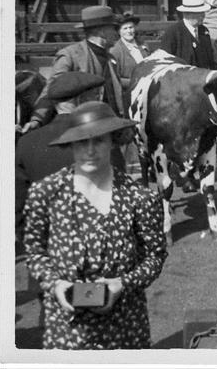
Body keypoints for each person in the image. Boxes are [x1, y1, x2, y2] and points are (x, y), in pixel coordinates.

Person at [23, 101, 167, 349]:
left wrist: (123, 283)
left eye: (98, 140)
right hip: (66, 328)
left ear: (113, 141)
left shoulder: (139, 198)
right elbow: (35, 253)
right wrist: (54, 284)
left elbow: (154, 255)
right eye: (82, 142)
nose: (90, 150)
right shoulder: (46, 192)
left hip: (125, 325)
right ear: (71, 145)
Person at [16, 72, 105, 241]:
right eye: (95, 97)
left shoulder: (26, 143)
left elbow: (18, 203)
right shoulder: (101, 141)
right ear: (81, 101)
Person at [23, 6, 124, 133]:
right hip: (81, 129)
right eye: (114, 28)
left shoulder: (111, 59)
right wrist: (37, 120)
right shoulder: (70, 56)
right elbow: (51, 90)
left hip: (109, 128)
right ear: (101, 31)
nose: (117, 33)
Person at [159, 0, 217, 70]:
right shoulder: (173, 33)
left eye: (203, 12)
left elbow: (210, 61)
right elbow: (165, 65)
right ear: (187, 14)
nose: (203, 16)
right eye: (199, 13)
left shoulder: (203, 31)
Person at [109, 12, 151, 95]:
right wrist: (136, 82)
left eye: (131, 27)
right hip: (128, 93)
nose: (129, 31)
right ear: (119, 31)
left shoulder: (143, 45)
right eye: (125, 28)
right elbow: (115, 79)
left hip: (148, 90)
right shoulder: (115, 51)